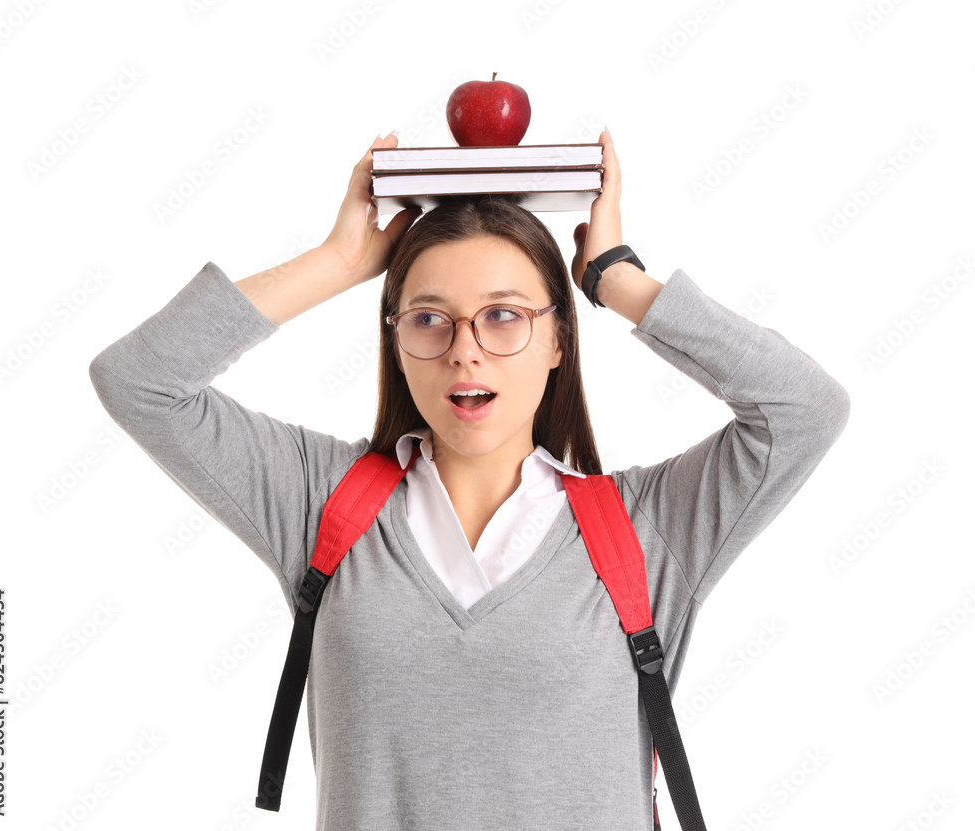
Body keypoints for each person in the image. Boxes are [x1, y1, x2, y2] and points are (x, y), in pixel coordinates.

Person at [88, 129, 851, 830]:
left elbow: (804, 409)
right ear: (395, 339)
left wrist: (615, 278)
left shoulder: (647, 531)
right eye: (429, 318)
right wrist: (337, 264)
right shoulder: (323, 504)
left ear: (557, 338)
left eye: (504, 315)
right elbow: (140, 380)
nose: (466, 351)